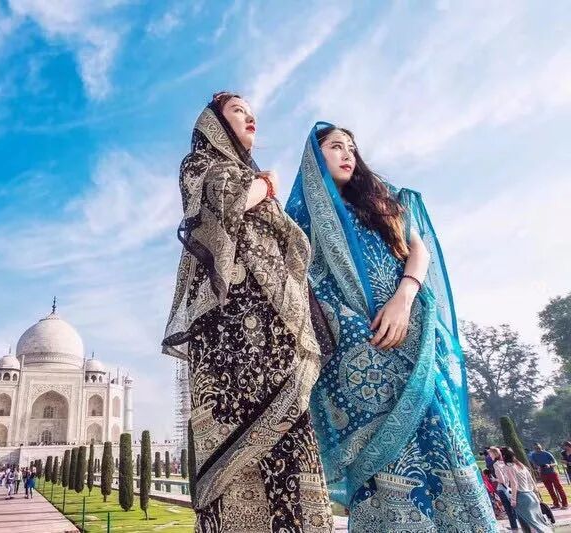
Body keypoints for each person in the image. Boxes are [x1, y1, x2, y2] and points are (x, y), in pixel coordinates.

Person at [285, 123, 497, 530]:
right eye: (335, 146)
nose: (347, 154)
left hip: (411, 334)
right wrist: (351, 332)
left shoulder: (382, 202)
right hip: (356, 352)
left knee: (440, 432)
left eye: (351, 148)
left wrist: (404, 298)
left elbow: (419, 250)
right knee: (380, 459)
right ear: (314, 157)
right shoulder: (297, 219)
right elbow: (300, 287)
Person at [161, 92, 333, 532]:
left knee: (289, 425)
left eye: (252, 112)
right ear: (214, 123)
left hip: (277, 321)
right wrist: (267, 186)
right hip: (227, 324)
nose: (250, 117)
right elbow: (222, 206)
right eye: (238, 110)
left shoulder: (250, 174)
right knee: (231, 423)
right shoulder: (199, 164)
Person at [502, 446, 553, 532]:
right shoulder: (520, 465)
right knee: (536, 522)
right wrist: (536, 493)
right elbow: (531, 480)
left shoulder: (509, 467)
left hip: (521, 497)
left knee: (534, 524)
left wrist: (513, 499)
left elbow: (514, 484)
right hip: (531, 495)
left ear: (503, 456)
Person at [490, 446, 521, 530]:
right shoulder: (507, 463)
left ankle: (514, 527)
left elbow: (502, 480)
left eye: (491, 454)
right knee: (515, 508)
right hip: (511, 487)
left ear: (494, 454)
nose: (490, 456)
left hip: (503, 489)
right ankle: (519, 524)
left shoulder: (496, 465)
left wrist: (494, 479)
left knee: (508, 509)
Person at [529, 443, 568, 509]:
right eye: (536, 449)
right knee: (550, 490)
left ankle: (565, 504)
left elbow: (555, 463)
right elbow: (534, 464)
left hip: (552, 473)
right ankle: (556, 504)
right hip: (543, 474)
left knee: (559, 488)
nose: (538, 450)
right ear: (534, 449)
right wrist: (538, 467)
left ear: (541, 447)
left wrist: (549, 465)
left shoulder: (547, 453)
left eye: (539, 448)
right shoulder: (533, 455)